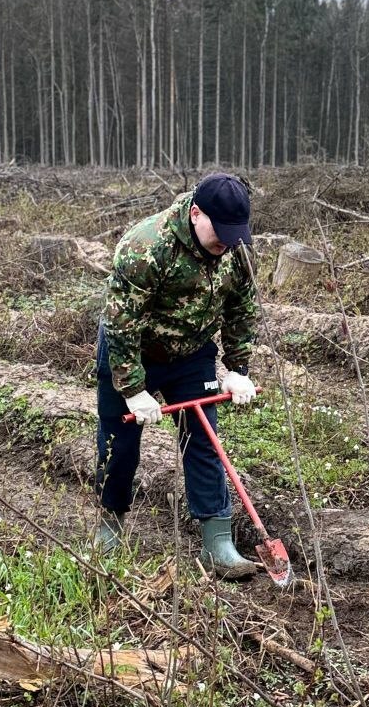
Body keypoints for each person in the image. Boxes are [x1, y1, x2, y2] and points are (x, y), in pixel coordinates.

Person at [95, 172, 260, 577]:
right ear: (196, 213)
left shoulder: (236, 247)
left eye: (234, 233)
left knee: (203, 440)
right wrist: (133, 388)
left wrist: (237, 369)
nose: (226, 242)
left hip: (192, 352)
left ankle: (218, 543)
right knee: (120, 443)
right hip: (133, 349)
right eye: (220, 232)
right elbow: (121, 324)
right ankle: (109, 528)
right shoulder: (146, 246)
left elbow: (241, 307)